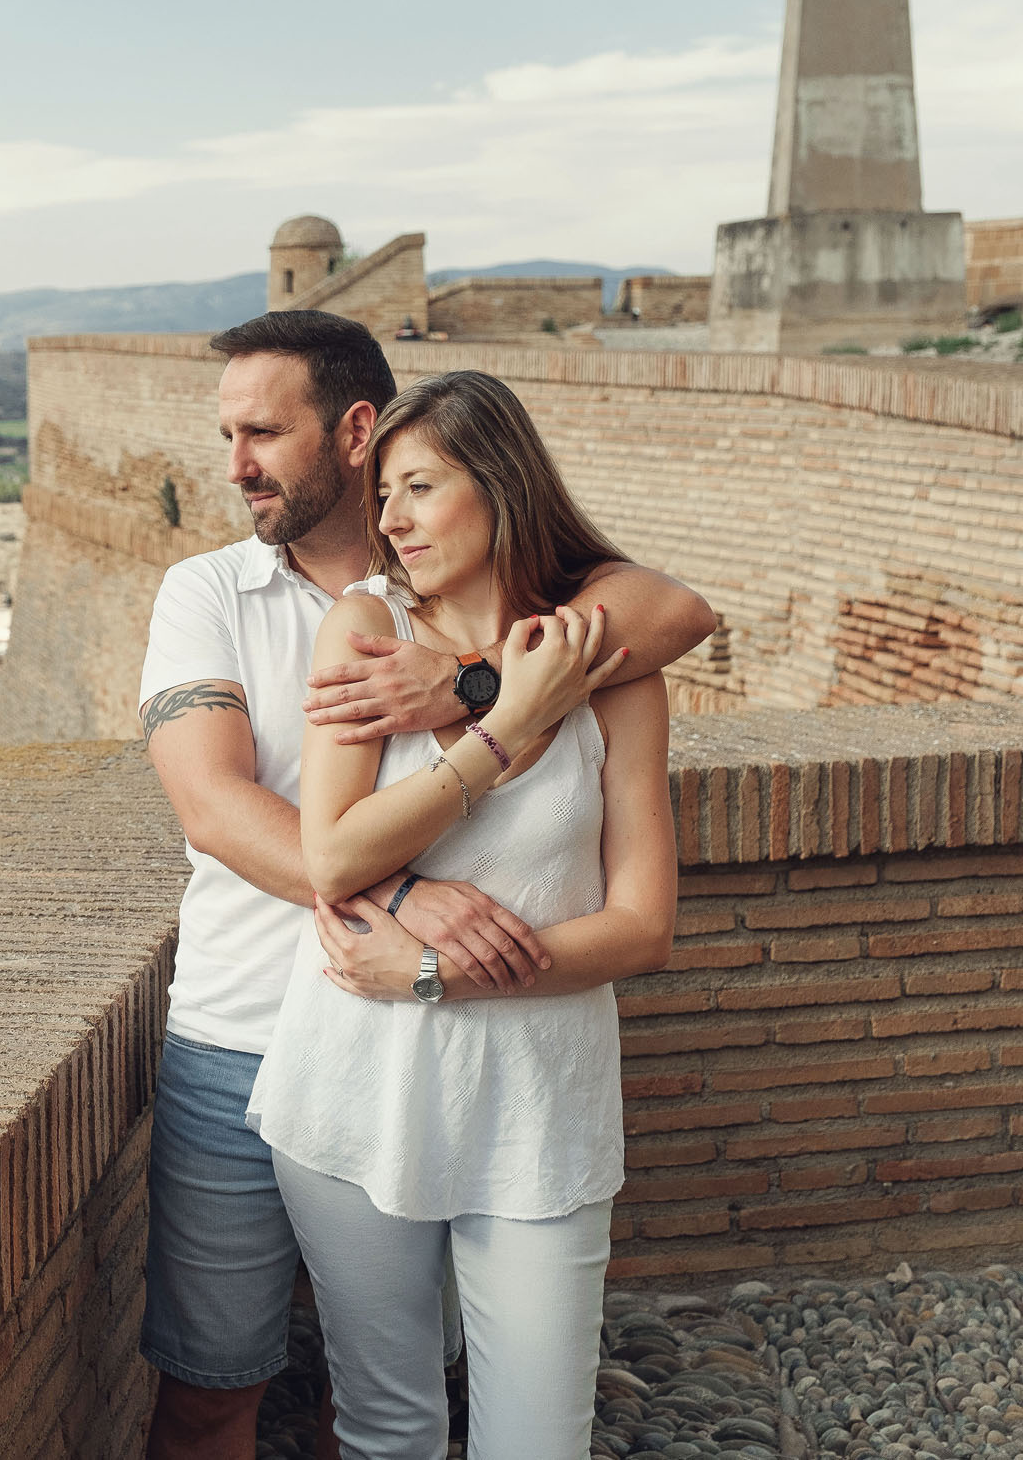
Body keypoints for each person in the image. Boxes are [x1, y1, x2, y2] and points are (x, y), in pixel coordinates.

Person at [138, 311, 715, 1460]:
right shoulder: (246, 601)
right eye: (226, 433)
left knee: (481, 1421)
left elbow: (682, 612)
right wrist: (412, 902)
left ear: (353, 431)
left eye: (261, 430)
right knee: (233, 1391)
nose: (234, 462)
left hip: (509, 1082)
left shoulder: (574, 639)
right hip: (272, 1035)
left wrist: (475, 682)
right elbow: (227, 813)